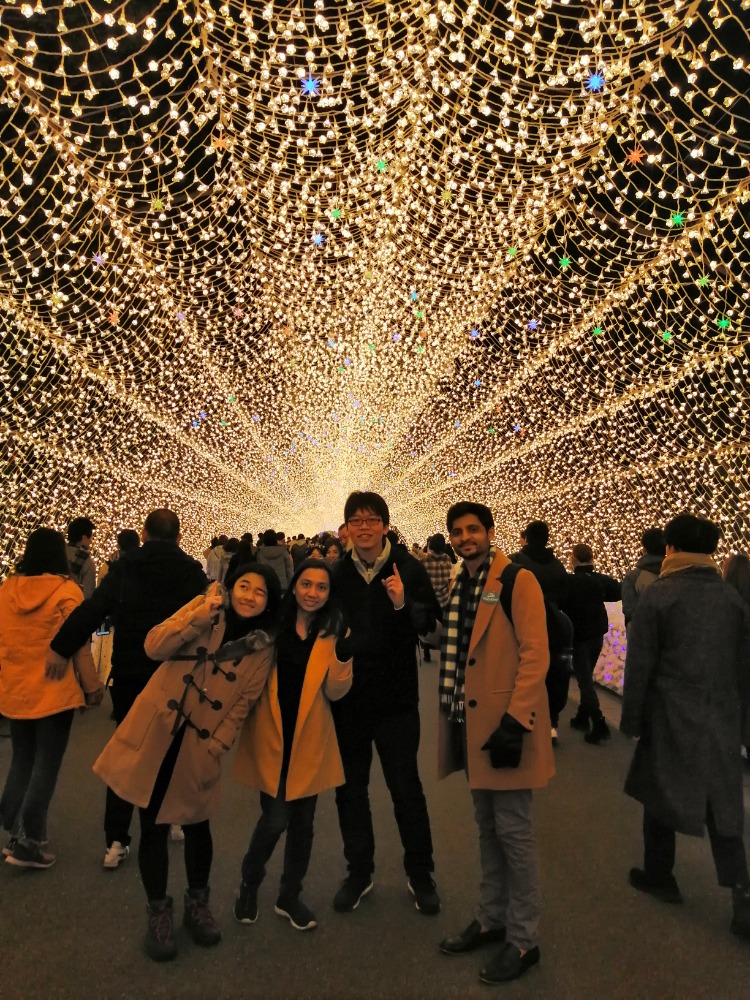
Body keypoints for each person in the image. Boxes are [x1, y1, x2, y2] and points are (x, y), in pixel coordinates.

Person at [93, 563, 280, 962]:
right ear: (230, 588)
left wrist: (219, 744)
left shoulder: (263, 646)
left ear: (269, 600)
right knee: (152, 824)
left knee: (197, 824)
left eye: (259, 592)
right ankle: (158, 911)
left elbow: (244, 701)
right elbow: (153, 645)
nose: (249, 596)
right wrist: (198, 617)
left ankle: (198, 904)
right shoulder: (204, 607)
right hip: (159, 727)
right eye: (243, 586)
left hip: (200, 743)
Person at [46, 509, 207, 869]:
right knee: (173, 748)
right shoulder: (192, 572)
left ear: (145, 533)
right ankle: (172, 819)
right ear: (178, 537)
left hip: (131, 675)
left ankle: (116, 840)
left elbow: (92, 611)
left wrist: (61, 646)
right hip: (177, 677)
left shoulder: (124, 569)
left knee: (128, 750)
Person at [436, 502, 553, 984]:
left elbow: (535, 654)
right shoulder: (463, 581)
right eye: (458, 532)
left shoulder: (516, 580)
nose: (466, 538)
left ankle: (524, 940)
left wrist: (517, 721)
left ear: (489, 532)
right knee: (487, 827)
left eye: (473, 530)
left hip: (504, 725)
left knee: (515, 834)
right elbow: (457, 645)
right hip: (470, 721)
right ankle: (491, 918)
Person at [621, 514, 750, 940]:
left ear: (671, 548)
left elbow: (640, 666)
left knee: (658, 790)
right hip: (722, 713)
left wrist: (632, 719)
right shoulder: (731, 599)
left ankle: (660, 875)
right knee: (723, 803)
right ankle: (742, 894)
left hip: (669, 712)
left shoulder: (659, 595)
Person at [330, 491, 441, 916]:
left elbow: (428, 624)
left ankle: (421, 872)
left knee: (405, 789)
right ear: (347, 528)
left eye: (371, 519)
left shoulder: (408, 569)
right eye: (355, 520)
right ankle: (359, 872)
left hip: (397, 699)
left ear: (385, 525)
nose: (363, 527)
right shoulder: (338, 573)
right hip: (349, 701)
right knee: (350, 791)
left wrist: (401, 604)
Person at [232, 559, 353, 931]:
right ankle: (249, 885)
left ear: (329, 593)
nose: (312, 593)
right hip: (273, 733)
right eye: (306, 584)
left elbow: (335, 691)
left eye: (321, 587)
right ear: (294, 586)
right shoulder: (273, 628)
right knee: (274, 819)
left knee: (303, 824)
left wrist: (344, 656)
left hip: (309, 739)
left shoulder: (332, 633)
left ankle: (289, 895)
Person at [0, 528, 104, 869]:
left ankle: (10, 833)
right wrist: (92, 687)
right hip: (54, 691)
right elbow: (77, 643)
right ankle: (31, 841)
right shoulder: (66, 591)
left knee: (22, 761)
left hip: (16, 690)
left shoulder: (7, 589)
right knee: (46, 764)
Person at [560, 543, 621, 744]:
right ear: (592, 558)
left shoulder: (568, 582)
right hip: (597, 634)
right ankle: (582, 717)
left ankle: (599, 723)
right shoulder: (599, 580)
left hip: (579, 636)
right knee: (586, 676)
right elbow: (618, 592)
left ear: (573, 559)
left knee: (584, 681)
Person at [621, 528, 665, 626]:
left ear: (644, 548)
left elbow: (629, 610)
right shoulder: (677, 573)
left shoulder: (634, 577)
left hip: (642, 635)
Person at [422, 534, 454, 662]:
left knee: (430, 627)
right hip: (444, 598)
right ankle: (444, 650)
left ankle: (427, 651)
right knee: (444, 626)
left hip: (430, 599)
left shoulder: (426, 560)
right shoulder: (447, 559)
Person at [66, 516, 96, 599]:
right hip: (74, 606)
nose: (91, 541)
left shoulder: (58, 554)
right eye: (91, 537)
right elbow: (88, 595)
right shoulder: (87, 562)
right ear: (84, 538)